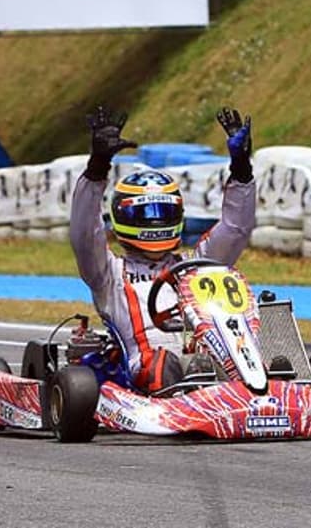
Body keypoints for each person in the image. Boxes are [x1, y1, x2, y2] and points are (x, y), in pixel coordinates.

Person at [69, 106, 256, 394]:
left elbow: (236, 228)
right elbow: (84, 235)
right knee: (165, 365)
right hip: (144, 367)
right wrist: (97, 167)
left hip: (209, 359)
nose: (155, 221)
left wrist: (241, 168)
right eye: (145, 213)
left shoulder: (198, 266)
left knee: (226, 360)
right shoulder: (109, 274)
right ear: (122, 217)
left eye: (163, 211)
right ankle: (197, 393)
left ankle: (265, 382)